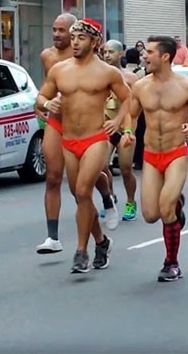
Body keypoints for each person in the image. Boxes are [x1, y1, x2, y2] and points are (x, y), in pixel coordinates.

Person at [39, 19, 131, 273]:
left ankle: (81, 251)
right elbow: (41, 96)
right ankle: (101, 241)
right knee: (79, 196)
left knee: (82, 191)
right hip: (69, 140)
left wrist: (120, 123)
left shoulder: (107, 72)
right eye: (74, 37)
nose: (75, 41)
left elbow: (128, 98)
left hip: (95, 138)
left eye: (81, 37)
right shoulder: (60, 70)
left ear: (94, 42)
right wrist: (47, 105)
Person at [124, 35, 188, 282]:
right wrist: (129, 133)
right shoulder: (141, 86)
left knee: (165, 209)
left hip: (176, 153)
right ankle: (176, 204)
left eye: (150, 52)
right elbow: (131, 114)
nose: (144, 55)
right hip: (151, 154)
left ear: (165, 57)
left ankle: (171, 263)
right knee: (151, 215)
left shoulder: (185, 87)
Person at [35, 13, 77, 255]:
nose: (57, 34)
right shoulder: (47, 55)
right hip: (57, 119)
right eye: (54, 29)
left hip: (84, 124)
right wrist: (41, 103)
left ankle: (106, 197)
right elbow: (46, 85)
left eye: (62, 30)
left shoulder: (82, 55)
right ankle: (53, 237)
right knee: (52, 177)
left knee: (82, 184)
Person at [101, 39, 139, 222]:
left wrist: (129, 131)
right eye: (104, 52)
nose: (107, 55)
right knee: (101, 167)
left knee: (125, 169)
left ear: (121, 54)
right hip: (105, 128)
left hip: (125, 130)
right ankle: (110, 197)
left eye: (111, 52)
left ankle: (131, 201)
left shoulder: (131, 78)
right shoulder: (99, 75)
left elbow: (134, 108)